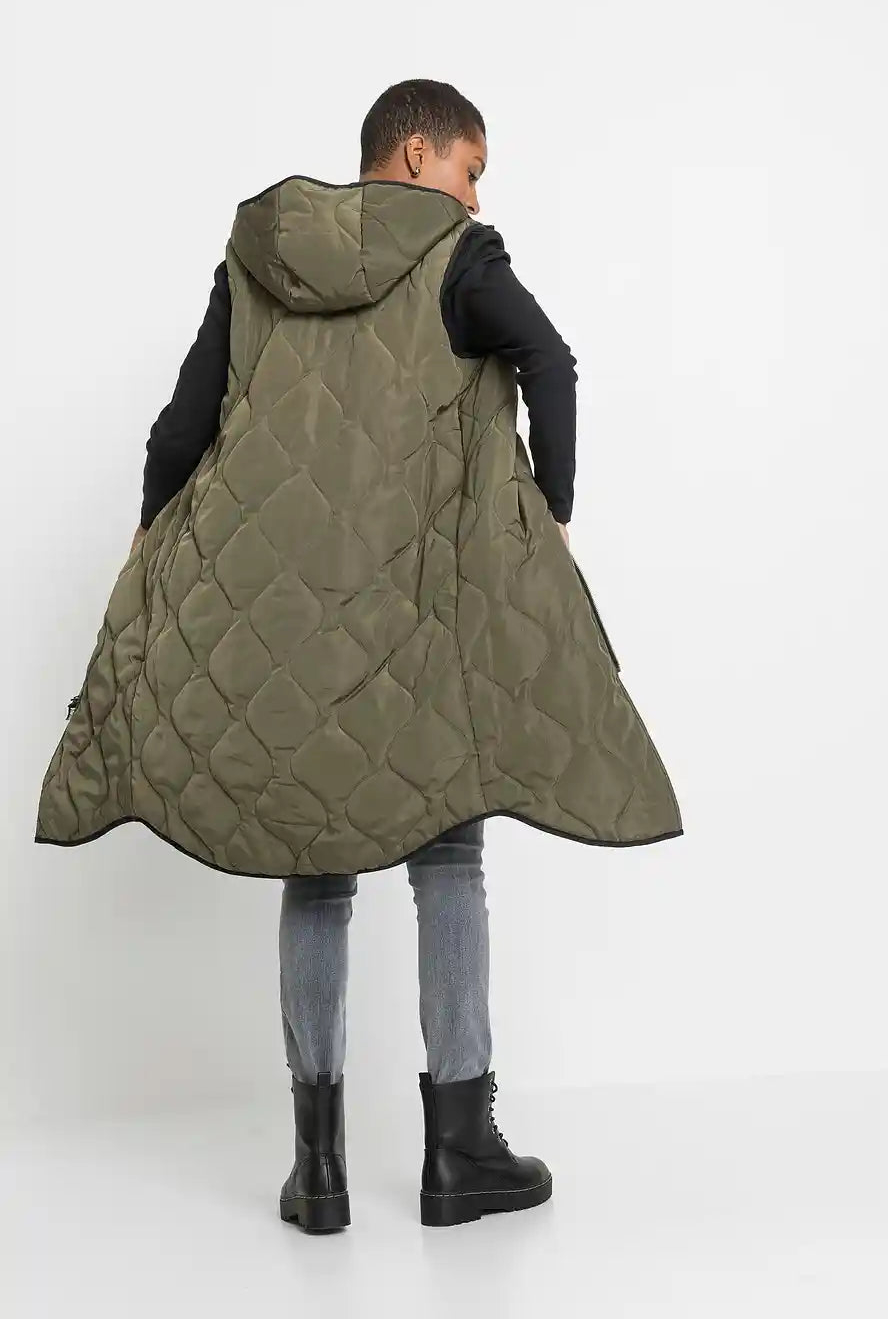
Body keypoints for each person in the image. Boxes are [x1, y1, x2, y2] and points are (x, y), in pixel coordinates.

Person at [34, 78, 683, 1234]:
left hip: (283, 620)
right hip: (423, 614)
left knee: (312, 861)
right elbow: (553, 361)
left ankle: (317, 1169)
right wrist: (550, 511)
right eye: (472, 169)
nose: (476, 196)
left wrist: (146, 537)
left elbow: (184, 424)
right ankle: (459, 1153)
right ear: (419, 152)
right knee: (450, 857)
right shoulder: (460, 258)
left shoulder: (259, 259)